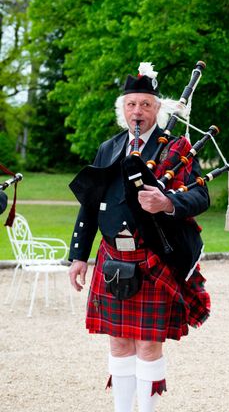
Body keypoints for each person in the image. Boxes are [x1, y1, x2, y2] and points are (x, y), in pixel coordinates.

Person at [67, 63, 211, 412]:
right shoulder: (109, 148)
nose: (138, 112)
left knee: (148, 345)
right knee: (118, 343)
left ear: (157, 110)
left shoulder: (175, 149)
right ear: (123, 109)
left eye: (146, 105)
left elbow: (201, 197)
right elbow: (89, 205)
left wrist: (167, 202)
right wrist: (78, 255)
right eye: (131, 104)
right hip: (113, 255)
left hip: (154, 256)